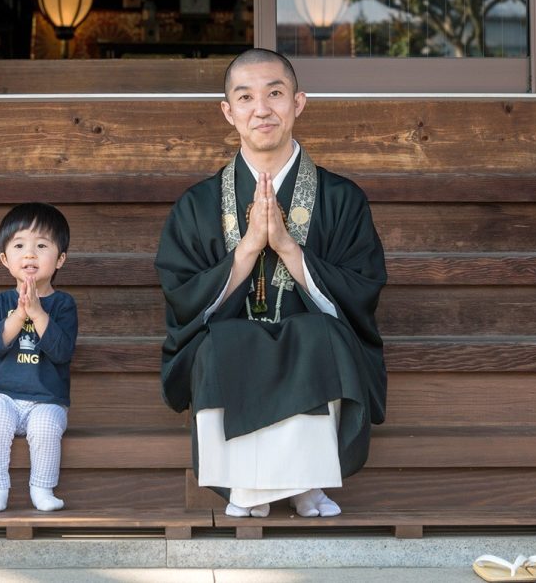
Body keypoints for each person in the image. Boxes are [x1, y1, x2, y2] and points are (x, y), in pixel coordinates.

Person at [155, 49, 387, 518]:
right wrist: (244, 252)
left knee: (318, 336)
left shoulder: (342, 199)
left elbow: (362, 290)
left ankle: (307, 484)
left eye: (275, 93)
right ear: (229, 111)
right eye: (246, 97)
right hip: (227, 339)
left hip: (313, 338)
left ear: (298, 102)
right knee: (218, 346)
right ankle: (245, 486)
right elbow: (182, 296)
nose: (262, 109)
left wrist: (287, 248)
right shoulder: (198, 205)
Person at [0, 203, 78, 512]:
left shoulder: (63, 305)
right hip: (5, 396)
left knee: (46, 429)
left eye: (42, 246)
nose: (30, 254)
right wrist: (20, 313)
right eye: (19, 245)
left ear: (60, 258)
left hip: (48, 399)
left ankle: (42, 488)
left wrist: (37, 310)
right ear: (6, 260)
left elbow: (62, 352)